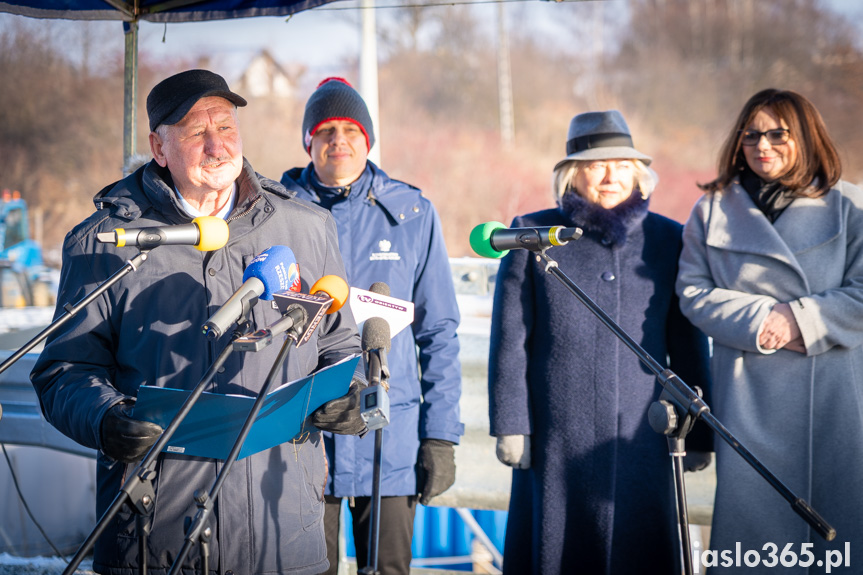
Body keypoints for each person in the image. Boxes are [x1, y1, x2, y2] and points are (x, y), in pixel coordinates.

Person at [30, 69, 367, 575]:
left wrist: (350, 393)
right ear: (159, 147)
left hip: (283, 533)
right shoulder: (105, 241)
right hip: (154, 537)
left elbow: (340, 345)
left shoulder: (305, 226)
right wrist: (106, 418)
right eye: (195, 132)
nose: (217, 146)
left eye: (226, 127)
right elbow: (63, 371)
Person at [488, 110, 712, 574]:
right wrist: (511, 423)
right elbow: (510, 339)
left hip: (643, 437)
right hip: (556, 439)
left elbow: (687, 343)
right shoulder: (531, 233)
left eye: (621, 164)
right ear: (572, 174)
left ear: (639, 172)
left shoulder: (670, 240)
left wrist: (702, 430)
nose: (610, 175)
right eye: (595, 164)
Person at [280, 77, 463, 575]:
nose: (338, 140)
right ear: (308, 142)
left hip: (392, 442)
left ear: (368, 140)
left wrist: (441, 438)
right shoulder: (275, 211)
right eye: (325, 130)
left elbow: (439, 333)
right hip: (299, 439)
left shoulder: (412, 214)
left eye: (351, 130)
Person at [677, 88, 863, 572]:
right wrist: (764, 321)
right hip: (749, 405)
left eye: (778, 133)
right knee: (757, 546)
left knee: (837, 542)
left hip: (835, 404)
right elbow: (693, 292)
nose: (763, 145)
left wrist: (801, 318)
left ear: (805, 136)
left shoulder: (849, 207)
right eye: (751, 135)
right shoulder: (712, 212)